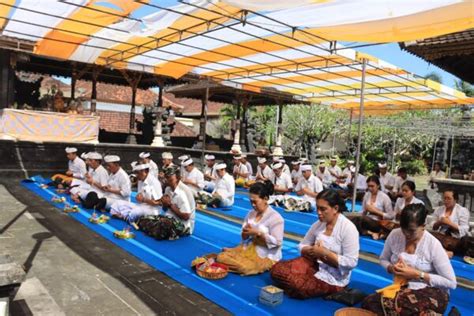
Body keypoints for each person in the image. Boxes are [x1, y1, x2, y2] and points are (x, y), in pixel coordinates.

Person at [362, 204, 456, 315]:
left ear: (423, 226)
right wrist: (391, 268)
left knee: (399, 308)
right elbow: (383, 259)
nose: (406, 234)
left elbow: (451, 283)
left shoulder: (433, 245)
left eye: (411, 231)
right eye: (403, 229)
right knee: (369, 303)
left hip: (432, 291)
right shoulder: (395, 235)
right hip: (403, 289)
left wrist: (418, 275)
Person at [271, 189, 359, 298]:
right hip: (314, 263)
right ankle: (295, 287)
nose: (318, 212)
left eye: (323, 209)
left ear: (335, 209)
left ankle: (302, 287)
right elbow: (302, 245)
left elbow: (351, 262)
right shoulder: (318, 224)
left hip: (334, 276)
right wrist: (311, 250)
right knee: (276, 269)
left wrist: (325, 253)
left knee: (299, 285)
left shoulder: (348, 228)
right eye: (317, 208)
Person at [216, 181, 284, 275]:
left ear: (265, 199)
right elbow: (244, 238)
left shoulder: (276, 218)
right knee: (221, 257)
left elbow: (278, 243)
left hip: (266, 255)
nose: (253, 205)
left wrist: (259, 233)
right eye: (251, 202)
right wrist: (245, 232)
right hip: (249, 249)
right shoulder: (251, 214)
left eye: (255, 202)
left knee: (244, 268)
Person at [350, 176, 394, 240]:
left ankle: (371, 232)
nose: (370, 188)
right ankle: (371, 233)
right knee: (352, 218)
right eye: (369, 186)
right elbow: (362, 211)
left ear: (378, 186)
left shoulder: (385, 197)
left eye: (372, 186)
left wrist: (375, 211)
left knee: (361, 219)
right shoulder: (367, 195)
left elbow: (391, 216)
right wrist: (354, 215)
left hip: (378, 223)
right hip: (367, 221)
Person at [430, 190, 470, 255]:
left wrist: (449, 223)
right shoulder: (439, 210)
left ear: (455, 200)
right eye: (444, 198)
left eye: (449, 198)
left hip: (456, 239)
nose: (446, 201)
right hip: (441, 237)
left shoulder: (462, 211)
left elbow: (464, 229)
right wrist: (439, 222)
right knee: (429, 235)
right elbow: (433, 226)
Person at [161, 166, 196, 235]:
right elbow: (165, 209)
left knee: (160, 228)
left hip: (184, 224)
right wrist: (164, 204)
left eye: (170, 179)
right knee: (147, 220)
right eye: (166, 178)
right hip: (170, 217)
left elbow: (186, 217)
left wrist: (170, 205)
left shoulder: (185, 191)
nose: (167, 181)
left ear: (178, 178)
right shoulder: (168, 189)